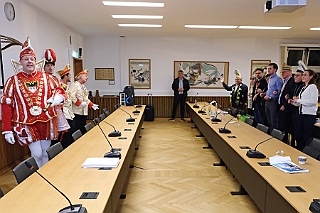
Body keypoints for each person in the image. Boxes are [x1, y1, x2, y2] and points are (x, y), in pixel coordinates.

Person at [1, 37, 65, 167]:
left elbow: (60, 91)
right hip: (26, 123)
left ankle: (45, 175)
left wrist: (57, 98)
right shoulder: (12, 81)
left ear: (36, 61)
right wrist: (7, 129)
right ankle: (37, 177)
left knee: (46, 152)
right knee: (36, 153)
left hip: (46, 121)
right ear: (20, 62)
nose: (29, 61)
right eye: (26, 59)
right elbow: (7, 106)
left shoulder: (48, 78)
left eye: (32, 59)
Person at [43, 49, 70, 146]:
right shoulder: (42, 78)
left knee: (59, 132)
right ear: (44, 67)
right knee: (51, 133)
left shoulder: (54, 78)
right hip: (48, 110)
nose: (50, 68)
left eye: (52, 65)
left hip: (57, 108)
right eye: (48, 66)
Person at [289, 69, 319, 151]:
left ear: (311, 77)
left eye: (305, 75)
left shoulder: (312, 87)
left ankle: (306, 152)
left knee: (306, 136)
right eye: (303, 75)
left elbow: (313, 102)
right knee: (298, 136)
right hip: (301, 113)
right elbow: (301, 102)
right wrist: (293, 102)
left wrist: (298, 100)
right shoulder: (303, 88)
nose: (303, 76)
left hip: (309, 115)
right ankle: (299, 150)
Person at [70, 69, 99, 134]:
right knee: (77, 130)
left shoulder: (83, 86)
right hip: (77, 111)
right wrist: (79, 103)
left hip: (83, 111)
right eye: (85, 76)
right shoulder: (75, 85)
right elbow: (71, 96)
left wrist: (91, 104)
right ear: (80, 76)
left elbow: (85, 98)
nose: (87, 77)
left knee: (82, 129)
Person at [57, 65, 75, 148]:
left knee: (70, 131)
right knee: (65, 133)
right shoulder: (60, 86)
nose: (71, 77)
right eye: (69, 75)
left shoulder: (66, 86)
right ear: (65, 76)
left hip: (69, 111)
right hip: (63, 111)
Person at [277, 63, 295, 143]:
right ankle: (282, 140)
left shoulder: (292, 81)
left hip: (287, 108)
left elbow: (290, 95)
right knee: (281, 125)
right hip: (281, 106)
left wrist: (285, 105)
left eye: (283, 72)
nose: (282, 74)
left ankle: (286, 142)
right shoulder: (285, 81)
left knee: (286, 126)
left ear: (289, 72)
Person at [263, 63, 283, 133]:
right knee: (269, 120)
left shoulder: (278, 79)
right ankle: (270, 134)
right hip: (267, 101)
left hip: (273, 101)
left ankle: (275, 135)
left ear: (275, 70)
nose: (268, 70)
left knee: (273, 120)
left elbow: (279, 91)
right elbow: (270, 90)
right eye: (268, 69)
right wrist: (264, 93)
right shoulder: (270, 78)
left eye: (270, 69)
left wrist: (270, 96)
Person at [289, 67, 304, 148]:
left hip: (300, 112)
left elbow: (300, 100)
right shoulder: (295, 86)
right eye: (295, 75)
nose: (295, 77)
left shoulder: (303, 87)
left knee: (299, 133)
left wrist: (295, 101)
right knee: (294, 130)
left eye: (297, 75)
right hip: (294, 110)